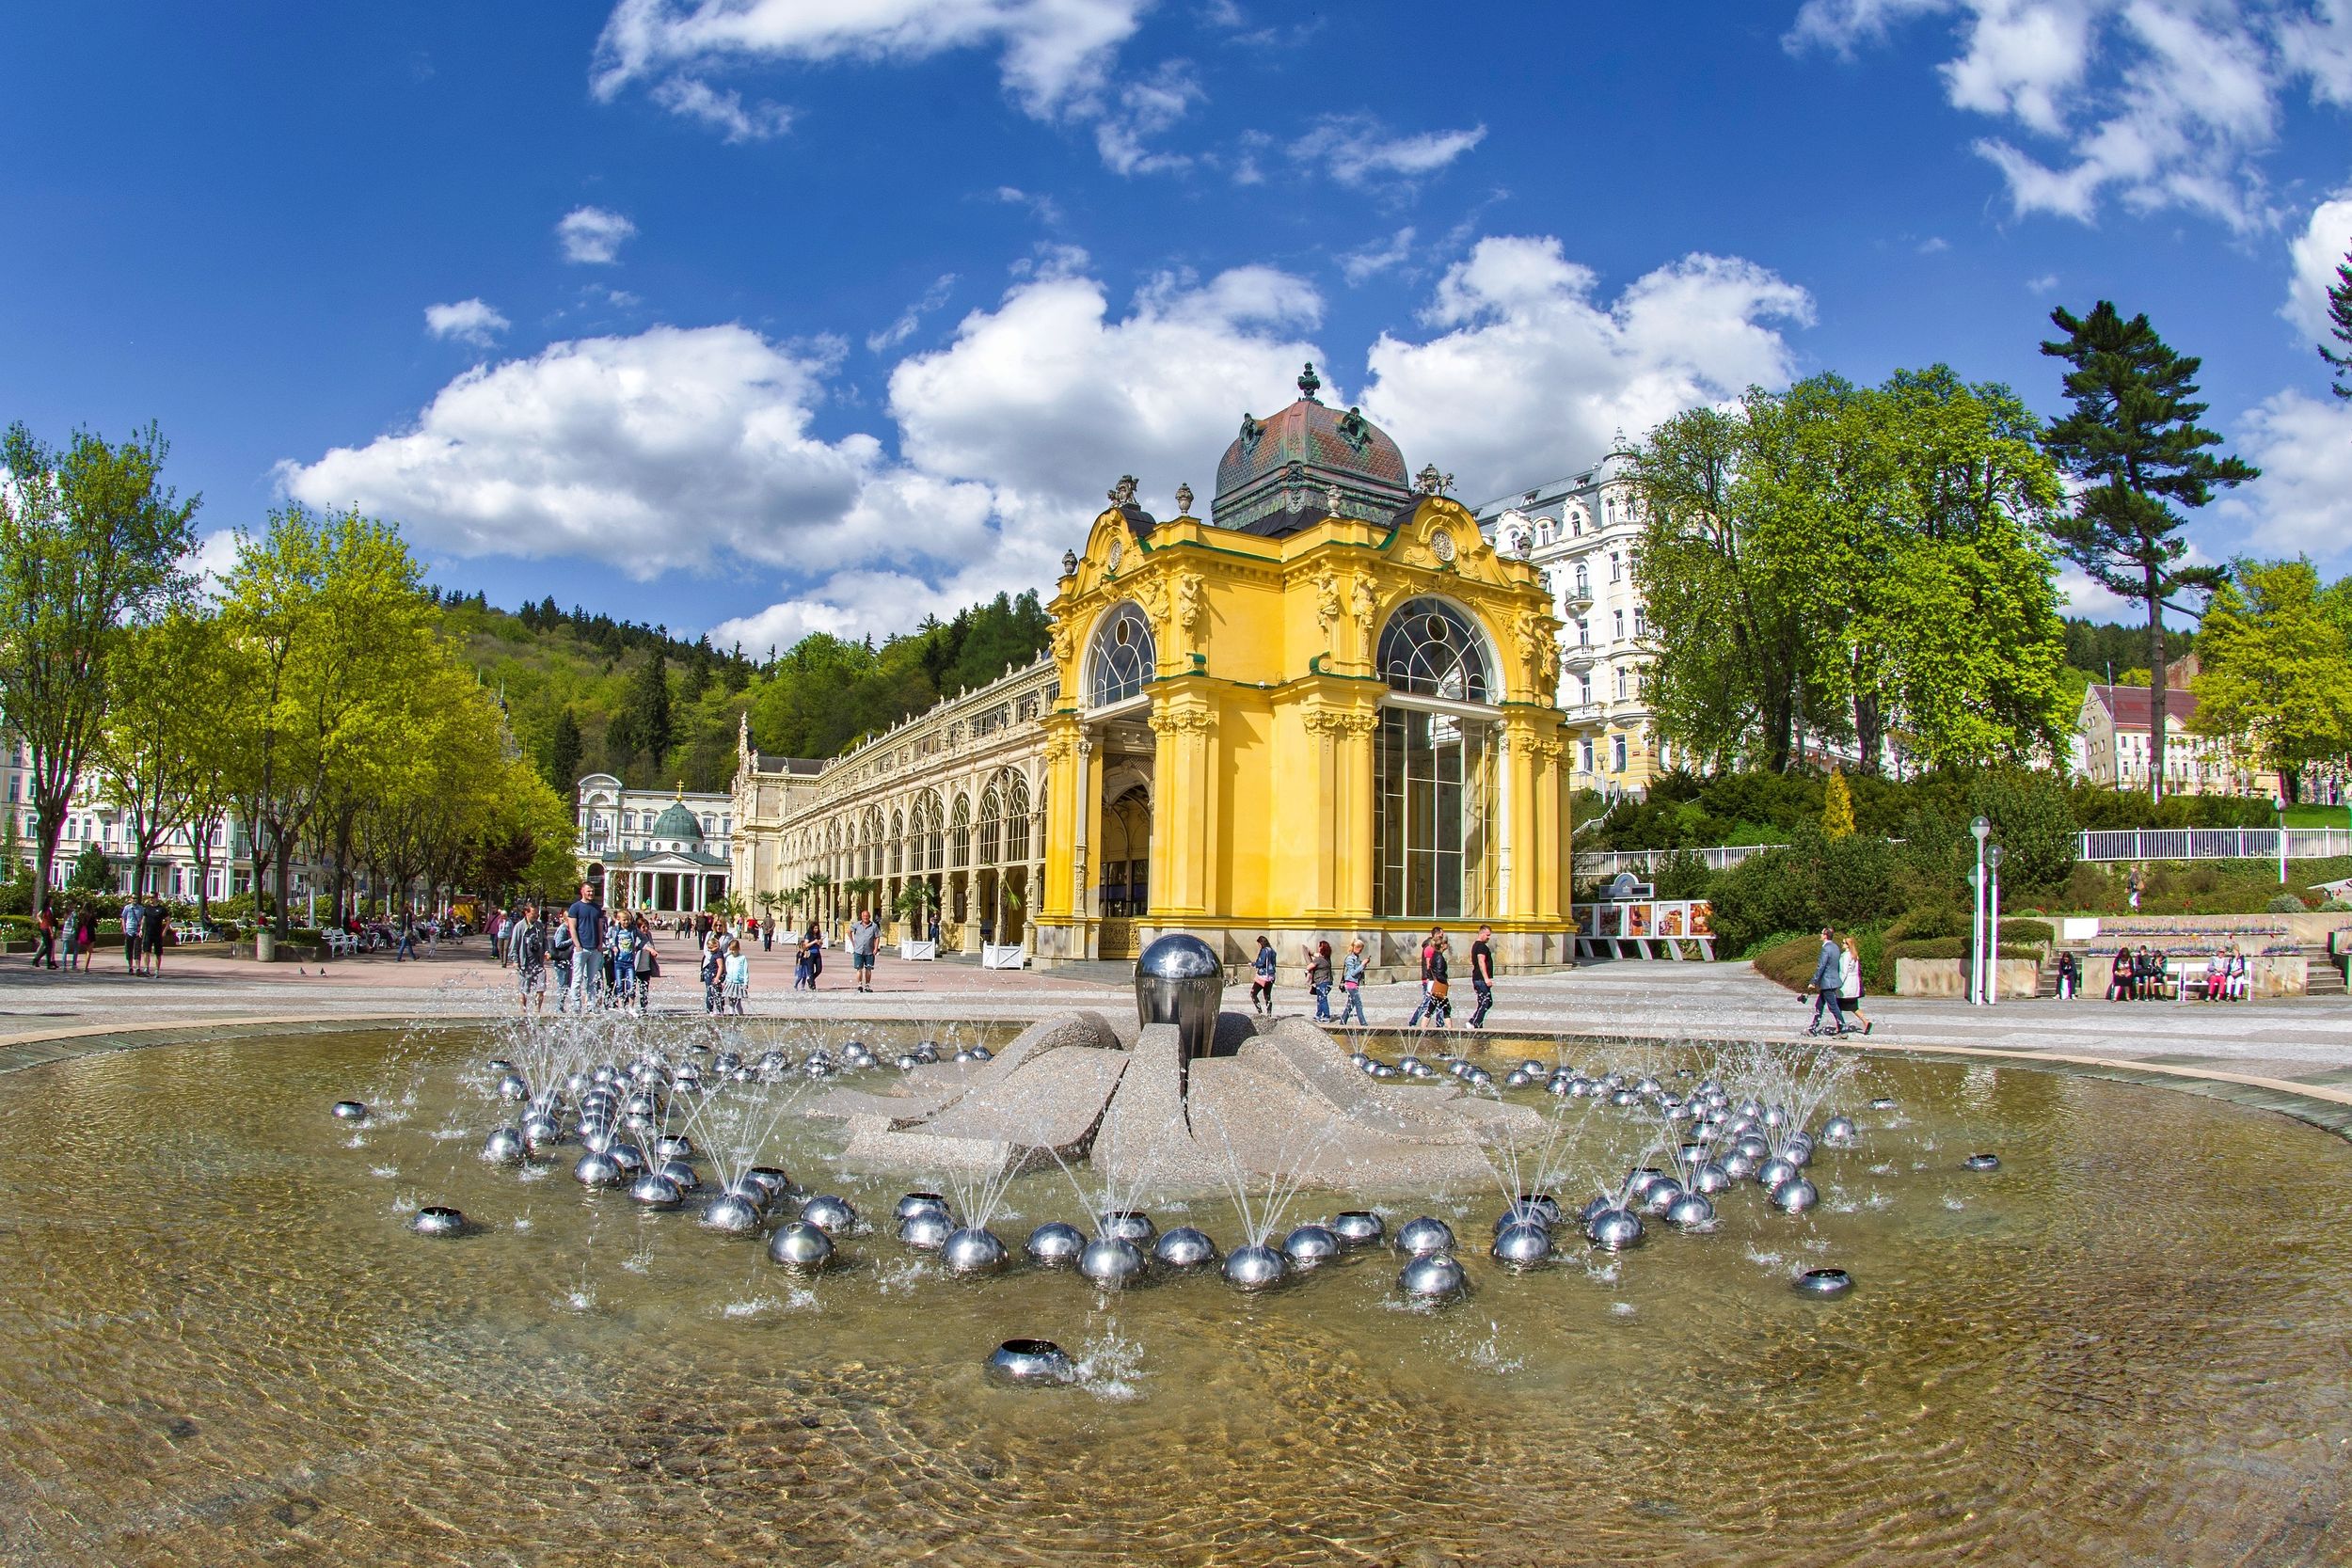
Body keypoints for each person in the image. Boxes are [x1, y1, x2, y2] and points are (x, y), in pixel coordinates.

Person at [564, 882, 604, 1012]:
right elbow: (572, 927)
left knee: (592, 979)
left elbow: (600, 927)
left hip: (594, 948)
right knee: (577, 978)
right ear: (582, 891)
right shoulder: (575, 907)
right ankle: (576, 1005)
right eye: (588, 891)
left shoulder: (597, 908)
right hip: (582, 948)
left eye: (592, 891)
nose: (591, 893)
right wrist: (577, 944)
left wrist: (600, 943)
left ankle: (591, 1005)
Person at [508, 901, 548, 1017]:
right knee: (524, 990)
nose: (536, 916)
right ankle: (523, 1012)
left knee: (541, 988)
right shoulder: (519, 927)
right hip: (524, 964)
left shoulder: (539, 926)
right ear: (526, 913)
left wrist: (546, 951)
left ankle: (537, 1012)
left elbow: (544, 940)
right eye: (534, 914)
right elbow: (513, 946)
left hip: (538, 964)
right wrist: (515, 961)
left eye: (537, 914)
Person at [1807, 927, 1845, 1034]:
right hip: (1833, 980)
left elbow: (1821, 966)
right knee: (1819, 1005)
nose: (1820, 935)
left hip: (1827, 982)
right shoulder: (1836, 947)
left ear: (1825, 936)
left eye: (1822, 933)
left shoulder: (1825, 949)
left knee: (1833, 1006)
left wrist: (1813, 981)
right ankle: (1813, 1027)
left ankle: (1843, 1028)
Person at [1838, 935, 1872, 1036]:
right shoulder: (1855, 955)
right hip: (1853, 986)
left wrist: (1838, 984)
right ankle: (1866, 1021)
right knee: (1853, 1006)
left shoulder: (1845, 956)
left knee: (1837, 1007)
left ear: (1848, 945)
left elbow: (1844, 972)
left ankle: (1839, 1027)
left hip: (1845, 986)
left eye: (1844, 943)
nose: (1842, 944)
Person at [1467, 924, 1496, 1029]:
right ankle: (1474, 1022)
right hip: (1480, 979)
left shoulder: (1476, 945)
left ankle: (1477, 1023)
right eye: (1487, 935)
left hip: (1478, 978)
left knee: (1484, 1002)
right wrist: (1486, 978)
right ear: (1481, 933)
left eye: (1489, 935)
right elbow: (1481, 962)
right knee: (1486, 1002)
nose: (1488, 937)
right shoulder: (1481, 946)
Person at [1422, 933, 1453, 1029]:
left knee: (1433, 1007)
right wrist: (1446, 981)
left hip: (1436, 985)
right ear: (1442, 945)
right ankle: (1450, 1030)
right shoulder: (1439, 957)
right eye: (1446, 943)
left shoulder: (1436, 955)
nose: (1448, 945)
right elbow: (1439, 974)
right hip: (1439, 985)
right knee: (1445, 1008)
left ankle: (1423, 1029)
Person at [1337, 937, 1369, 1027]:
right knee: (1359, 1005)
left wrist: (1364, 965)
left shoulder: (1356, 957)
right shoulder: (1350, 958)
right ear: (1355, 947)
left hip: (1354, 984)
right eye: (1360, 949)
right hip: (1351, 984)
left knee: (1350, 1005)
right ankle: (1364, 1024)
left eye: (1362, 949)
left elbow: (1358, 971)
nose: (1361, 951)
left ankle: (1342, 1023)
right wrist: (1362, 964)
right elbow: (1353, 973)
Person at [849, 908, 880, 993]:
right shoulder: (857, 925)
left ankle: (867, 985)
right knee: (859, 969)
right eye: (864, 916)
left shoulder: (874, 926)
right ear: (861, 917)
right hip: (859, 950)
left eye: (867, 916)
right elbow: (849, 931)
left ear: (869, 917)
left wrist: (876, 948)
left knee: (868, 969)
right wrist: (853, 942)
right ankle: (859, 985)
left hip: (869, 950)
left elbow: (877, 937)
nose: (866, 917)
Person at [610, 918, 637, 1010]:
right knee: (620, 985)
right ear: (619, 920)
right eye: (624, 920)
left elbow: (643, 938)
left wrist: (639, 947)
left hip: (629, 962)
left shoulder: (633, 930)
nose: (626, 922)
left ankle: (631, 1008)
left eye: (627, 920)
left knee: (632, 984)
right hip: (619, 962)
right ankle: (621, 1007)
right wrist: (613, 946)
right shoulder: (615, 930)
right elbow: (606, 939)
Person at [1307, 940, 1334, 1022]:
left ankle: (1326, 1016)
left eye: (1319, 946)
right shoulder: (1327, 958)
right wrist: (1311, 953)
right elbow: (1316, 954)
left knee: (1322, 999)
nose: (1318, 948)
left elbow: (1309, 967)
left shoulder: (1318, 960)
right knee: (1320, 998)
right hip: (1328, 982)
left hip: (1322, 982)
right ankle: (1318, 1015)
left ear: (1322, 949)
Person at [1249, 936, 1276, 1016]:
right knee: (1267, 996)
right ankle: (1269, 1014)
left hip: (1263, 977)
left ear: (1261, 943)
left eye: (1258, 944)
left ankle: (1260, 1012)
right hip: (1271, 977)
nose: (1258, 946)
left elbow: (1261, 963)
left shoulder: (1264, 951)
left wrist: (1253, 964)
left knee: (1253, 993)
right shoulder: (1272, 951)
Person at [723, 938, 750, 1014]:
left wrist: (746, 983)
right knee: (731, 1003)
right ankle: (732, 1015)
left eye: (734, 950)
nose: (732, 952)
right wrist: (725, 981)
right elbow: (727, 970)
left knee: (738, 1003)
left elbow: (746, 971)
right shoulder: (729, 958)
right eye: (731, 950)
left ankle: (741, 1016)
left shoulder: (742, 958)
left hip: (739, 983)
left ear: (738, 949)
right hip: (730, 982)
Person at [147, 895, 168, 975]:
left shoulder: (161, 909)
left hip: (157, 934)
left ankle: (157, 970)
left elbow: (168, 920)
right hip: (148, 933)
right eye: (149, 898)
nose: (150, 899)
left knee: (157, 953)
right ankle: (146, 968)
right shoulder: (147, 908)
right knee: (146, 951)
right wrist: (141, 929)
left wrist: (165, 930)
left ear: (156, 898)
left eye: (152, 898)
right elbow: (143, 919)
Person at [32, 903, 56, 970]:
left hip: (44, 928)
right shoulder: (48, 910)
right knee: (47, 946)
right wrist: (51, 932)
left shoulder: (47, 909)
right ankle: (39, 960)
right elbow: (49, 922)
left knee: (48, 947)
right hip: (46, 929)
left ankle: (39, 960)